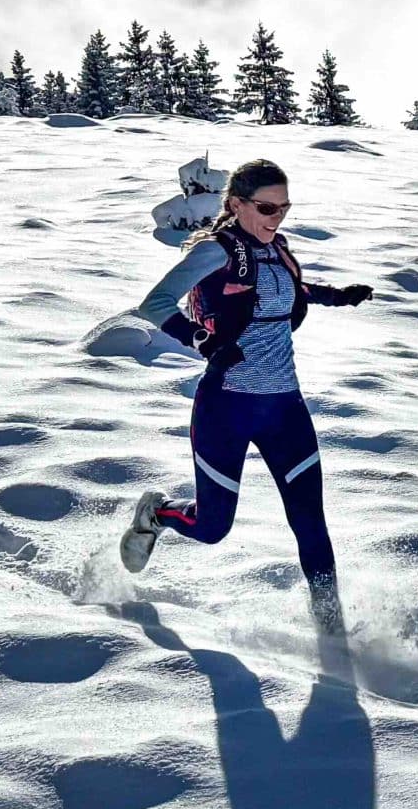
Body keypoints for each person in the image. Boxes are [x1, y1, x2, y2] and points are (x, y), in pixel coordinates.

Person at [118, 159, 374, 632]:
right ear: (236, 204)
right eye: (266, 207)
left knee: (310, 523)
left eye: (285, 207)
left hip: (285, 408)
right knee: (213, 529)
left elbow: (291, 291)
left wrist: (339, 295)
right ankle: (158, 514)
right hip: (227, 407)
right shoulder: (215, 252)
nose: (277, 217)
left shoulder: (277, 250)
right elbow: (153, 305)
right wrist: (203, 342)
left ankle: (331, 633)